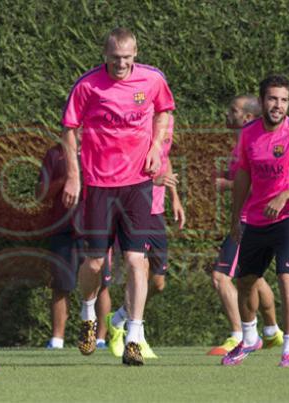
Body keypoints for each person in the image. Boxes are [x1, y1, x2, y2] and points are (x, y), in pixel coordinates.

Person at [61, 27, 175, 365]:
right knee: (95, 262)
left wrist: (156, 147)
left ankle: (134, 337)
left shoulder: (152, 80)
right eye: (114, 58)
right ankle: (86, 313)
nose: (121, 64)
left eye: (126, 58)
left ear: (135, 53)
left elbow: (164, 111)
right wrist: (73, 176)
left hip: (137, 183)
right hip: (98, 184)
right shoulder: (87, 86)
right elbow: (69, 130)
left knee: (136, 259)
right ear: (104, 54)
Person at [222, 75, 289, 368]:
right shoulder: (248, 134)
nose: (278, 105)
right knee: (245, 282)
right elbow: (242, 175)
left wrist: (286, 196)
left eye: (283, 100)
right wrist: (235, 218)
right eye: (272, 99)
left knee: (286, 279)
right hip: (255, 219)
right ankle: (249, 339)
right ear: (262, 101)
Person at [105, 115, 185, 359]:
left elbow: (164, 159)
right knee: (138, 267)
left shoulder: (166, 121)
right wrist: (152, 181)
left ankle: (117, 319)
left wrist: (175, 197)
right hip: (134, 208)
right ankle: (135, 336)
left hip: (157, 212)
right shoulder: (135, 122)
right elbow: (121, 167)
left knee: (158, 282)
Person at [208, 95, 283, 356]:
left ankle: (239, 334)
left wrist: (226, 184)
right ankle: (272, 332)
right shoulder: (242, 143)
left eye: (233, 111)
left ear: (248, 117)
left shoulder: (255, 143)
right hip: (249, 218)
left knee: (221, 277)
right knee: (254, 276)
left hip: (250, 220)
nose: (227, 114)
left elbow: (260, 183)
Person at [36, 135, 113, 350]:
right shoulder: (55, 154)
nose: (80, 131)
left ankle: (100, 339)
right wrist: (67, 179)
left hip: (97, 228)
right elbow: (40, 192)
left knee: (102, 286)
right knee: (61, 286)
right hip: (64, 230)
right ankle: (57, 340)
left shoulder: (100, 149)